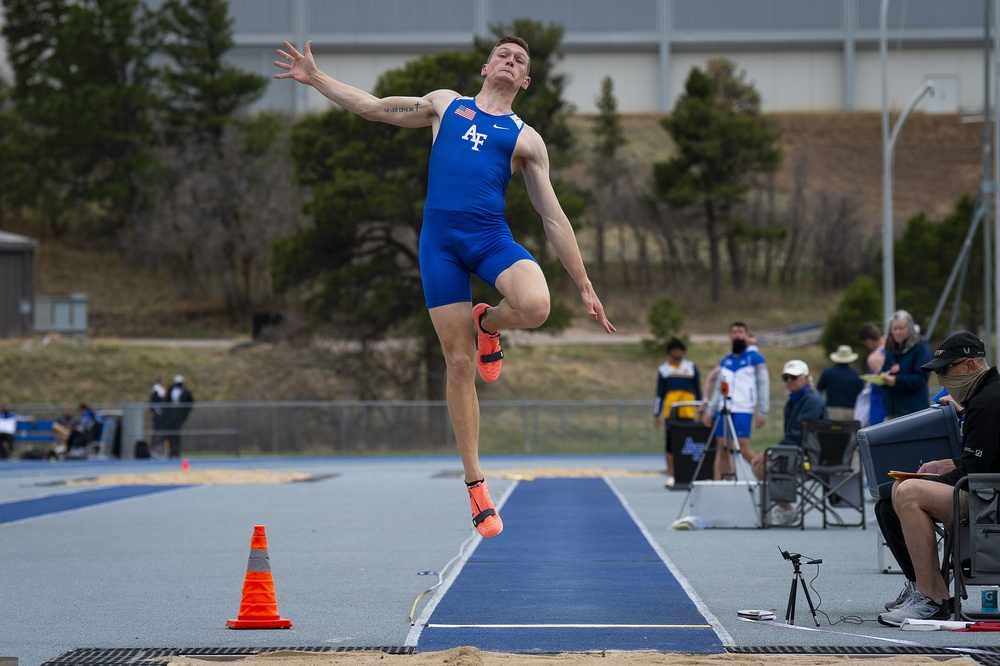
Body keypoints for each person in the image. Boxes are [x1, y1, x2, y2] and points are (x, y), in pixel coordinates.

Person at [275, 36, 615, 538]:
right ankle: (476, 484)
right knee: (459, 363)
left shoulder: (526, 139)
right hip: (440, 245)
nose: (511, 60)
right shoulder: (444, 105)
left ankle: (490, 322)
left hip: (489, 238)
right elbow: (372, 108)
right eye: (504, 54)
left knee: (538, 305)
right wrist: (316, 77)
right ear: (486, 66)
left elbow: (554, 218)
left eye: (520, 60)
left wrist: (584, 284)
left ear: (525, 81)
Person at [875, 331, 1000, 626]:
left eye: (946, 370)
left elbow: (973, 475)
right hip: (988, 488)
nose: (942, 379)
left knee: (908, 492)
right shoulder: (986, 396)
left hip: (990, 497)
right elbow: (981, 461)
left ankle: (932, 598)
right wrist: (947, 465)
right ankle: (928, 590)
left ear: (970, 366)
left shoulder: (987, 403)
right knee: (900, 491)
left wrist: (926, 480)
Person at [751, 359, 827, 526]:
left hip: (811, 457)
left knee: (764, 466)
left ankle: (786, 510)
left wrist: (771, 452)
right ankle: (785, 507)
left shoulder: (812, 401)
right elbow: (792, 436)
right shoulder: (793, 401)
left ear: (806, 377)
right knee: (758, 465)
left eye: (794, 377)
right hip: (799, 452)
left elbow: (798, 435)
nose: (789, 381)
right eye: (786, 377)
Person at [700, 322, 768, 480]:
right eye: (734, 332)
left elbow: (764, 384)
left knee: (743, 449)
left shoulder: (755, 358)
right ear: (730, 336)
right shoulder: (726, 360)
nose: (737, 335)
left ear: (746, 335)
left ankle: (767, 477)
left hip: (743, 409)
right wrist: (710, 410)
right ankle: (723, 484)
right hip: (724, 409)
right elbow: (719, 387)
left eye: (741, 332)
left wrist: (763, 410)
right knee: (722, 449)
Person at [652, 337, 702, 488]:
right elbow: (659, 394)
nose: (676, 353)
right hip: (671, 411)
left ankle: (689, 474)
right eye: (673, 350)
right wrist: (656, 414)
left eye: (679, 350)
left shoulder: (691, 367)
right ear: (669, 352)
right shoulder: (664, 369)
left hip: (688, 411)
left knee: (689, 443)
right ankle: (671, 475)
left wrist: (701, 410)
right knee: (671, 444)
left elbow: (698, 390)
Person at [880, 310, 932, 420]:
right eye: (894, 329)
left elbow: (921, 379)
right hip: (891, 412)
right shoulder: (891, 351)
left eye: (901, 328)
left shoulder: (921, 349)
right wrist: (881, 379)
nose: (897, 332)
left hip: (913, 413)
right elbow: (885, 370)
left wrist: (896, 381)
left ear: (909, 328)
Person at [817, 345, 864, 422]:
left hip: (831, 410)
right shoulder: (857, 375)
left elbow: (819, 390)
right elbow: (861, 395)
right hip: (851, 411)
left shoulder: (828, 372)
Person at [858, 322, 887, 427]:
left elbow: (884, 380)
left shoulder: (874, 358)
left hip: (879, 400)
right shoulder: (889, 344)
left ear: (869, 341)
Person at [165, 375, 195, 459]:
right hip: (170, 415)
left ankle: (176, 452)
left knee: (177, 434)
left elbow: (191, 402)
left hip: (179, 415)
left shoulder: (185, 392)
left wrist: (185, 412)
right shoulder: (171, 390)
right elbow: (166, 401)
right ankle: (170, 452)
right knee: (170, 434)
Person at [150, 376, 167, 455]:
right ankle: (155, 445)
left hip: (161, 413)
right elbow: (155, 403)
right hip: (158, 414)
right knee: (157, 430)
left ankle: (158, 445)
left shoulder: (160, 390)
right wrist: (158, 412)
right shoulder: (156, 390)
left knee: (162, 430)